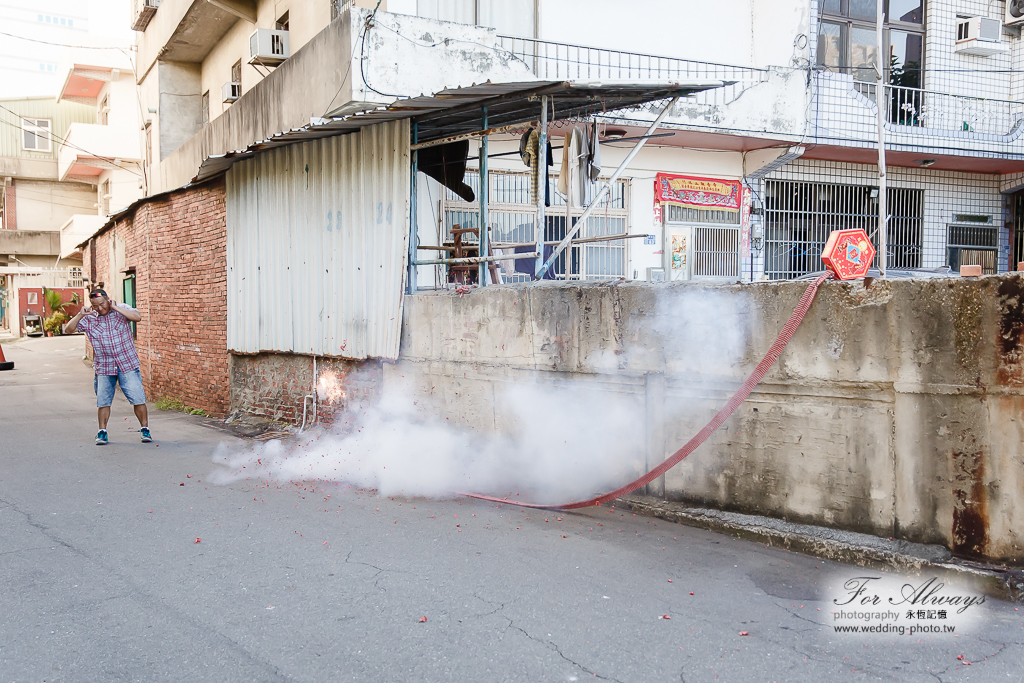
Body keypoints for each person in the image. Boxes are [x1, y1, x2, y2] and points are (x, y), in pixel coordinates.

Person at [64, 289, 151, 445]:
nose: (100, 308)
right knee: (103, 401)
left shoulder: (121, 309)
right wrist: (80, 315)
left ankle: (145, 429)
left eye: (102, 304)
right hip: (104, 367)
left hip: (127, 364)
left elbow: (137, 317)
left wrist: (115, 308)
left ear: (107, 300)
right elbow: (68, 330)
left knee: (138, 398)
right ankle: (102, 431)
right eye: (95, 306)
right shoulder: (89, 319)